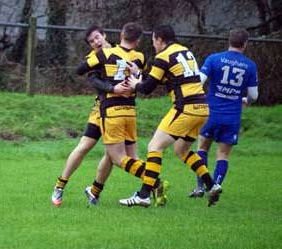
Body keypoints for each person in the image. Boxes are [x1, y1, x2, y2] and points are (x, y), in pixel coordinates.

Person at [119, 25, 222, 208]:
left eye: (153, 40)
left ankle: (143, 195)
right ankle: (211, 184)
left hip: (186, 108)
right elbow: (166, 78)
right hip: (202, 108)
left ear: (159, 39)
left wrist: (135, 83)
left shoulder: (162, 57)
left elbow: (147, 88)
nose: (153, 44)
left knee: (154, 146)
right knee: (181, 150)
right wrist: (139, 73)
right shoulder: (185, 51)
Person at [76, 22, 169, 206]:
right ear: (138, 40)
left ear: (120, 36)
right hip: (130, 112)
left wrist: (98, 67)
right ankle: (94, 191)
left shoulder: (105, 54)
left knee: (118, 158)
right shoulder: (140, 57)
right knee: (128, 158)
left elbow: (80, 69)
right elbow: (143, 80)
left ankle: (157, 182)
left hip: (112, 111)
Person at [51, 25, 129, 206]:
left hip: (121, 110)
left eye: (97, 37)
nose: (96, 42)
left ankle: (95, 191)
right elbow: (94, 80)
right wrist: (112, 88)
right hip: (101, 110)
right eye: (92, 41)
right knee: (85, 145)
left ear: (104, 34)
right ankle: (60, 185)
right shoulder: (93, 58)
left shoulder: (122, 51)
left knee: (112, 154)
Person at [188, 28, 258, 198]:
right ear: (245, 44)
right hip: (232, 116)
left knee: (202, 148)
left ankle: (200, 187)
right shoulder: (250, 65)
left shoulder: (214, 59)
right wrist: (245, 101)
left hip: (210, 112)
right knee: (223, 154)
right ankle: (216, 185)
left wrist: (201, 97)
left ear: (229, 40)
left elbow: (199, 81)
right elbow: (254, 96)